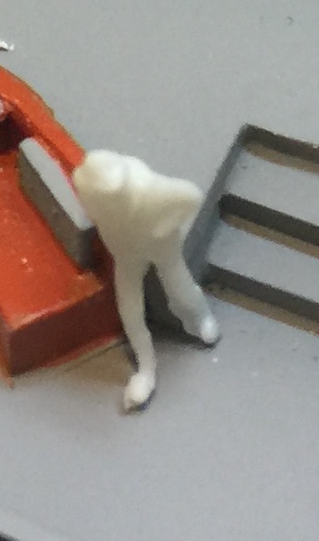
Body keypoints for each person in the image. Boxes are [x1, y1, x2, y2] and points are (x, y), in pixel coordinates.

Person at [70, 149, 221, 410]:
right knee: (130, 310)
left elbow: (191, 197)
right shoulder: (87, 188)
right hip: (126, 255)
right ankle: (146, 368)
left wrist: (165, 228)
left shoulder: (150, 190)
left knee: (180, 289)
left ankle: (202, 319)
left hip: (161, 248)